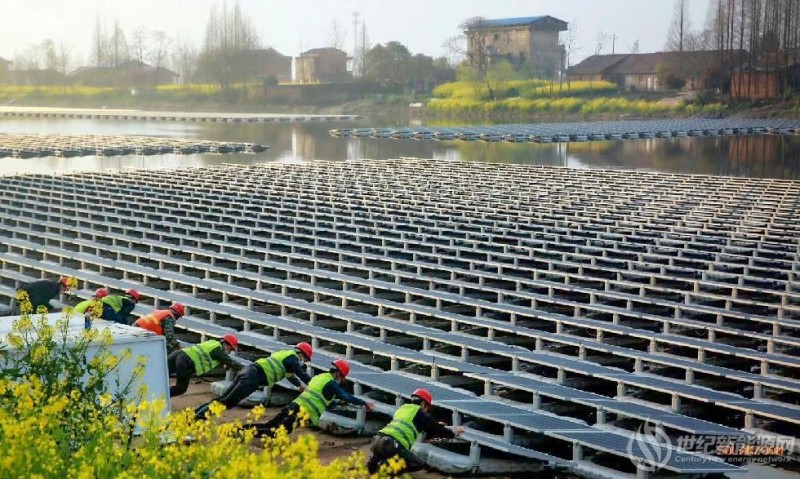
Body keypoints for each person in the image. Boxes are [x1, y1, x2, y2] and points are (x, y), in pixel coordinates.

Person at [251, 359, 374, 437]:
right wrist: (364, 403)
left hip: (294, 405)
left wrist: (336, 403)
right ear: (338, 373)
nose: (341, 380)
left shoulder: (319, 377)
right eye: (342, 377)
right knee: (277, 432)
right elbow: (345, 396)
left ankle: (240, 430)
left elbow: (320, 398)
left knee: (270, 425)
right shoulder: (332, 383)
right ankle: (241, 433)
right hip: (301, 413)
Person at [194, 342, 314, 419]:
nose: (304, 362)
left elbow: (291, 376)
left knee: (223, 399)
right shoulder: (292, 357)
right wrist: (314, 383)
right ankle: (198, 418)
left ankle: (195, 413)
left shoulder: (286, 357)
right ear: (301, 353)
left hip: (248, 372)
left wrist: (299, 385)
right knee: (227, 402)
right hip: (252, 378)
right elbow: (300, 372)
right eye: (305, 359)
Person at [367, 388, 465, 475]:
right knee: (417, 464)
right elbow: (435, 428)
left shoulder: (403, 408)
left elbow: (419, 424)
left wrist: (435, 424)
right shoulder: (419, 412)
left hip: (377, 440)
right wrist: (453, 433)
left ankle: (375, 461)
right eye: (427, 408)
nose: (427, 411)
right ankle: (386, 470)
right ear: (423, 404)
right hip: (391, 445)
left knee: (386, 458)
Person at [168, 334, 241, 397]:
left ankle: (158, 396)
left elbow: (217, 358)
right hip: (186, 362)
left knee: (160, 377)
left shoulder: (212, 343)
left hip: (178, 354)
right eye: (230, 349)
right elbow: (232, 363)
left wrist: (225, 364)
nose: (229, 352)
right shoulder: (218, 351)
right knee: (181, 388)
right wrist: (247, 369)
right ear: (225, 344)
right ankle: (161, 398)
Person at [0, 277, 70, 315]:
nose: (65, 291)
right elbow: (40, 301)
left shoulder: (53, 286)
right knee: (30, 313)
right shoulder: (53, 289)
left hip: (24, 292)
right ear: (62, 285)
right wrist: (53, 309)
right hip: (25, 294)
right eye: (65, 289)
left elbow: (41, 300)